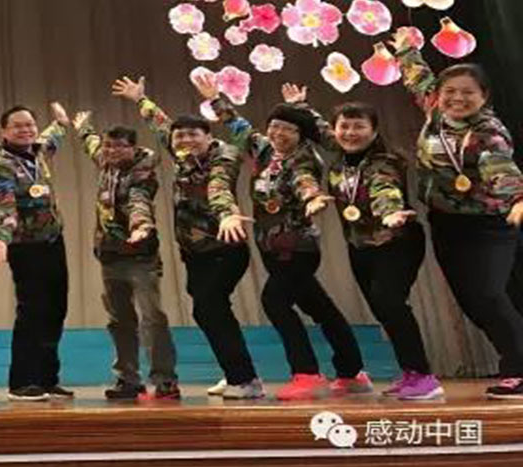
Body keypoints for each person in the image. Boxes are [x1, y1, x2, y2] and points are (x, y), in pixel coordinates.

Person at [191, 73, 371, 402]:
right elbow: (239, 127)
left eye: (288, 129)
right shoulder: (265, 151)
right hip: (271, 247)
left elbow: (305, 181)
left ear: (300, 135)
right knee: (320, 308)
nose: (278, 133)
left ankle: (306, 373)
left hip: (297, 247)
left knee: (274, 301)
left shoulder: (304, 157)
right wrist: (216, 99)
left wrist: (312, 197)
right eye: (274, 127)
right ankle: (352, 372)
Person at [283, 87, 441, 400]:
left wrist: (390, 212)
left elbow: (385, 189)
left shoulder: (384, 162)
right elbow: (320, 129)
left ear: (374, 131)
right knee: (383, 309)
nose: (350, 133)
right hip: (360, 246)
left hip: (396, 241)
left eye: (359, 127)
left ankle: (424, 376)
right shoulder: (341, 155)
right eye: (345, 126)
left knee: (391, 303)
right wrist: (300, 106)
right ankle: (410, 373)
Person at [113, 76, 263, 400]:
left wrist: (227, 213)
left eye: (194, 134)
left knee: (208, 307)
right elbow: (161, 126)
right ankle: (237, 372)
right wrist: (140, 99)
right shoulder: (182, 154)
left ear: (208, 136)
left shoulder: (223, 156)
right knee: (209, 309)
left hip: (225, 246)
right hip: (196, 251)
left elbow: (219, 187)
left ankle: (245, 379)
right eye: (180, 136)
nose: (185, 140)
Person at [393, 29, 523, 399]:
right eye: (450, 91)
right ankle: (514, 361)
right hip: (447, 223)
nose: (458, 98)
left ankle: (519, 367)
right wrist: (406, 51)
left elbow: (500, 167)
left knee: (489, 295)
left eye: (468, 92)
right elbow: (419, 78)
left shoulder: (488, 131)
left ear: (484, 97)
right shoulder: (435, 110)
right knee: (471, 301)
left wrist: (518, 198)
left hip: (489, 224)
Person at [70, 111, 178, 401]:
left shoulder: (143, 172)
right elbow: (92, 144)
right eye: (109, 145)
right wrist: (83, 128)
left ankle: (165, 380)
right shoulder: (105, 161)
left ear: (133, 147)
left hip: (140, 256)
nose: (112, 151)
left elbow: (138, 201)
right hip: (110, 256)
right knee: (119, 320)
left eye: (120, 146)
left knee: (152, 318)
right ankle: (128, 379)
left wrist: (141, 225)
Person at [0, 103, 73, 402]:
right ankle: (22, 382)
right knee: (33, 311)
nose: (26, 130)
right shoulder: (1, 164)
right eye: (18, 126)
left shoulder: (38, 151)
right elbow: (5, 203)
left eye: (30, 124)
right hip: (25, 246)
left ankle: (47, 379)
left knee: (56, 309)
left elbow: (51, 137)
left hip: (52, 241)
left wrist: (61, 123)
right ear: (4, 131)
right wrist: (0, 237)